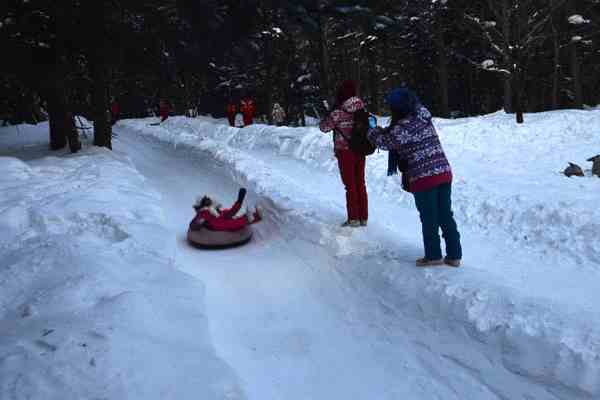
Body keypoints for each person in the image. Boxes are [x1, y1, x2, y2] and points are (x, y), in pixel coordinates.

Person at [368, 88, 462, 267]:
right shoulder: (422, 117)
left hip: (423, 175)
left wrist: (371, 130)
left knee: (429, 217)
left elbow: (386, 142)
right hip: (443, 171)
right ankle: (454, 254)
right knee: (445, 214)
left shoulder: (404, 126)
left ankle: (433, 256)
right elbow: (393, 136)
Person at [319, 80, 369, 227]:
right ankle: (363, 217)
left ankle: (353, 218)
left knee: (350, 185)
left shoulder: (338, 112)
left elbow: (324, 127)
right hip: (360, 149)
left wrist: (327, 114)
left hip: (345, 151)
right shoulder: (362, 108)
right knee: (360, 183)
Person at [189, 188, 261, 232]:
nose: (208, 201)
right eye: (205, 201)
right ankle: (249, 218)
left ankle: (239, 201)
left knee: (229, 212)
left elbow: (220, 211)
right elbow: (193, 224)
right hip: (216, 224)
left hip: (220, 217)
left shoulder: (212, 206)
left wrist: (218, 210)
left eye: (207, 199)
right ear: (202, 204)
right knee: (231, 223)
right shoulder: (203, 212)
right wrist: (198, 222)